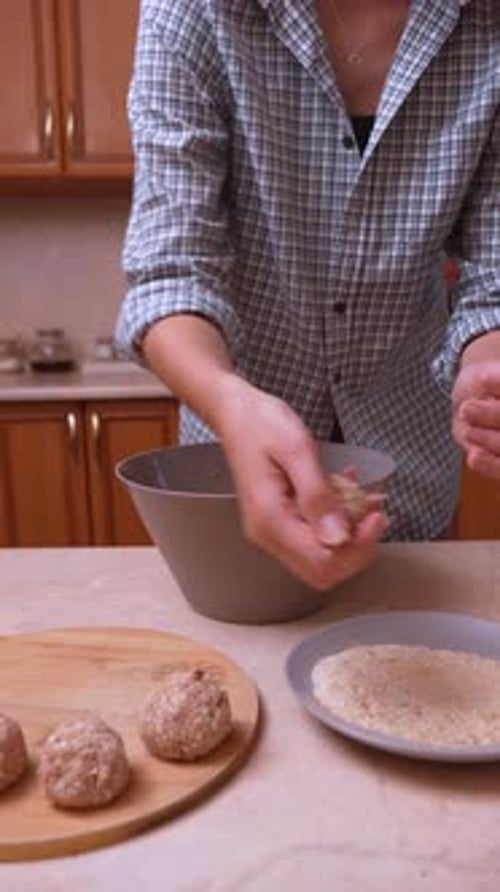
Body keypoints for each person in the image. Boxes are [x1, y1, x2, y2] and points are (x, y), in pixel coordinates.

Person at [116, 0, 500, 592]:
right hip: (235, 475)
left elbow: (492, 278)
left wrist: (486, 366)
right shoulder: (195, 10)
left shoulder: (487, 24)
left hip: (412, 474)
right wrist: (229, 402)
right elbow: (171, 271)